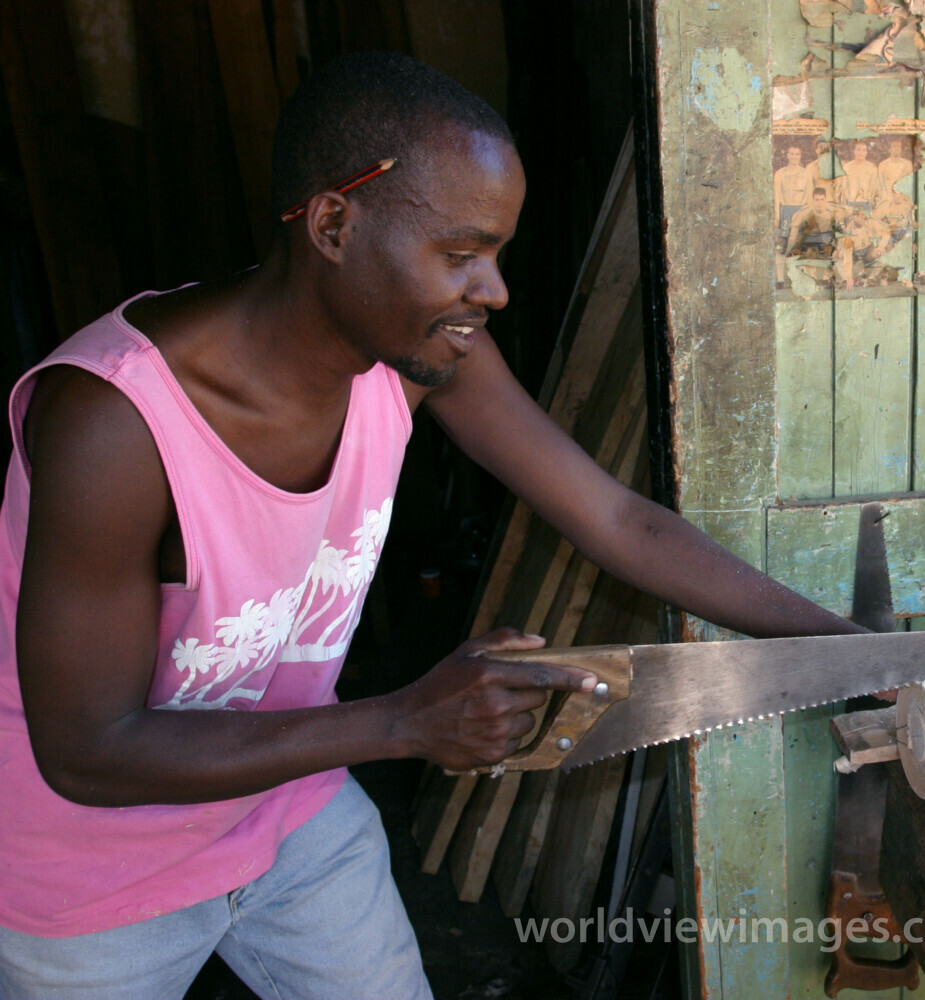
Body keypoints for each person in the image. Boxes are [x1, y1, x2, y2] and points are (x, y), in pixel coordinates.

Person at [0, 52, 861, 1000]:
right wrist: (407, 721)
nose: (491, 292)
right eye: (461, 255)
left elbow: (617, 519)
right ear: (335, 222)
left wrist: (850, 653)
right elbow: (87, 750)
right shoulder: (115, 421)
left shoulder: (418, 358)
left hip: (286, 813)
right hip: (92, 878)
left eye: (495, 256)